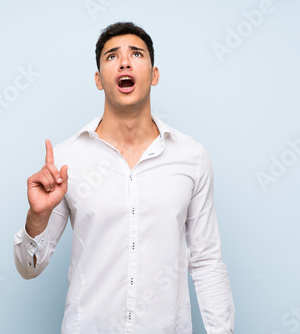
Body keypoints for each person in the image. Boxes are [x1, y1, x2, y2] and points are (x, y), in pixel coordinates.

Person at [13, 21, 235, 333]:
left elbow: (207, 262)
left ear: (154, 75)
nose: (125, 62)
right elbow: (28, 268)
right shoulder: (66, 161)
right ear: (98, 79)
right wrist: (37, 216)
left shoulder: (192, 157)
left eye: (137, 54)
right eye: (112, 56)